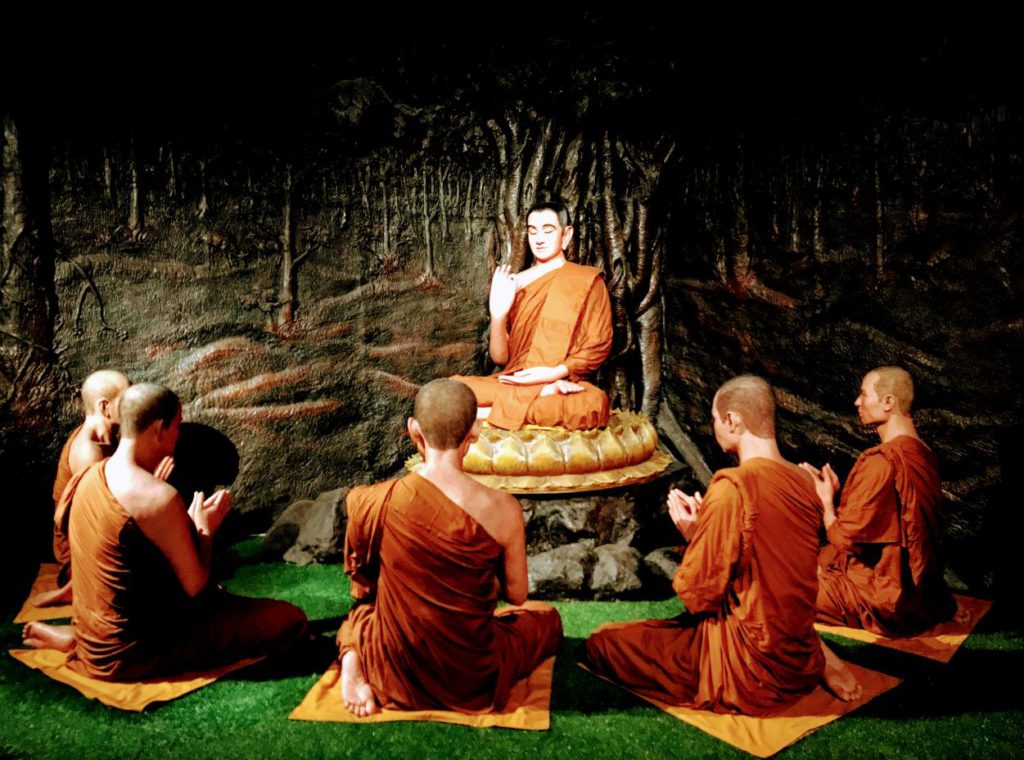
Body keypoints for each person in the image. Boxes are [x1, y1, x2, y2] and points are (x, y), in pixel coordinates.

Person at [585, 375, 861, 714]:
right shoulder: (806, 482)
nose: (715, 428)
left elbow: (699, 595)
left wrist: (694, 536)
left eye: (715, 420)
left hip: (745, 668)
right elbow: (772, 565)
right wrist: (712, 529)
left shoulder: (732, 486)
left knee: (605, 642)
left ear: (732, 420)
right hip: (797, 661)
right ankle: (822, 655)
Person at [22, 383, 307, 680]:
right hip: (136, 653)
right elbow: (197, 589)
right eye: (178, 425)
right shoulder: (158, 497)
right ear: (159, 429)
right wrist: (204, 531)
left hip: (98, 636)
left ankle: (78, 642)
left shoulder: (92, 474)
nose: (178, 434)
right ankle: (83, 646)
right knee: (289, 619)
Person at [338, 378, 563, 716]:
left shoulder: (374, 500)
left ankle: (355, 661)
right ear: (475, 431)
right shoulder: (503, 508)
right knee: (546, 618)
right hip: (473, 679)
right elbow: (517, 597)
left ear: (414, 431)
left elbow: (364, 586)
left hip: (393, 671)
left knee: (360, 617)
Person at [801, 367, 956, 635]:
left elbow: (845, 539)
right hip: (922, 595)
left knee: (778, 584)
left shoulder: (881, 461)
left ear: (888, 402)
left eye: (863, 394)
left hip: (883, 599)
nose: (857, 402)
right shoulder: (924, 453)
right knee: (815, 559)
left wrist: (826, 502)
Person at [454, 194, 613, 431]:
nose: (539, 239)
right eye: (532, 231)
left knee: (592, 403)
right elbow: (501, 359)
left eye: (548, 230)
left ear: (566, 235)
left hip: (561, 383)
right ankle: (533, 400)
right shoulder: (514, 283)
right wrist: (497, 314)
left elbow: (597, 346)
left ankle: (486, 413)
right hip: (515, 381)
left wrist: (552, 374)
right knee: (454, 390)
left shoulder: (586, 280)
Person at [35, 370, 137, 608]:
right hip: (85, 561)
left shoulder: (106, 438)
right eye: (127, 398)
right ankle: (75, 589)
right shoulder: (88, 453)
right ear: (104, 407)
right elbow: (93, 529)